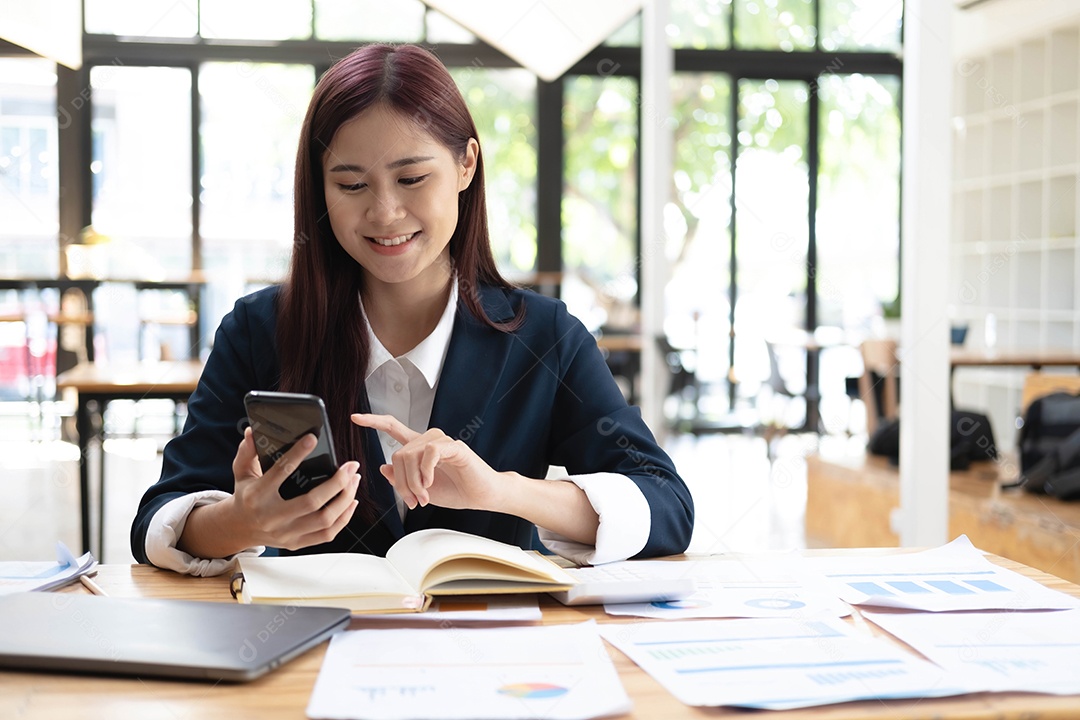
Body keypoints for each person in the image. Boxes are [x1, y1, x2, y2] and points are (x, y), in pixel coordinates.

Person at [131, 43, 694, 576]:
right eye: (351, 184)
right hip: (305, 655)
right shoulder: (260, 331)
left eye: (412, 178)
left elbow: (666, 505)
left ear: (466, 165)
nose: (384, 213)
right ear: (319, 189)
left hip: (495, 657)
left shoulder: (544, 338)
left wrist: (503, 490)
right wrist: (238, 522)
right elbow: (159, 519)